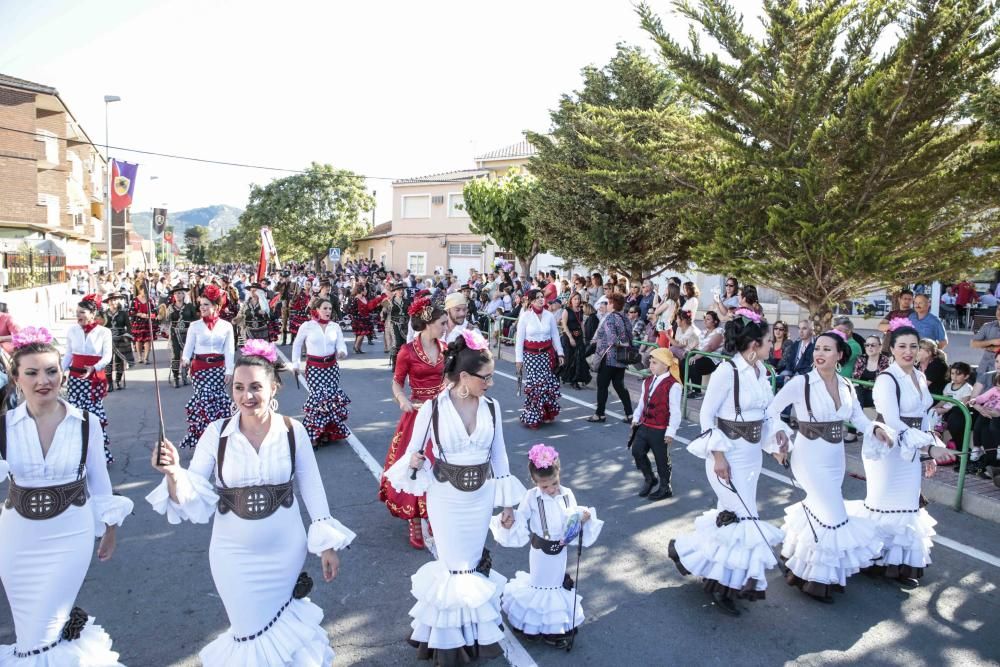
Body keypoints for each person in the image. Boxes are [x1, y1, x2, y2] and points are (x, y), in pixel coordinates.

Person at [148, 341, 354, 666]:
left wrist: (326, 545)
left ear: (275, 387)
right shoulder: (215, 434)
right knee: (249, 631)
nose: (247, 396)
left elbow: (312, 487)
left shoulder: (293, 430)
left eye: (256, 387)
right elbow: (190, 496)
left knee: (280, 627)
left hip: (287, 550)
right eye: (239, 387)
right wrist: (174, 472)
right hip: (233, 555)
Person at [383, 330, 526, 664]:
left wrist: (507, 504)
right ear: (464, 376)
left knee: (472, 565)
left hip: (480, 499)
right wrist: (416, 461)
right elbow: (413, 453)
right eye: (486, 378)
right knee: (452, 567)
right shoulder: (431, 408)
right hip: (445, 498)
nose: (490, 383)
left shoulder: (492, 407)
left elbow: (500, 457)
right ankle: (448, 646)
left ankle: (472, 635)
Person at [0, 326, 132, 663]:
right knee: (30, 631)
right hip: (17, 538)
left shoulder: (86, 423)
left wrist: (110, 530)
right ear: (16, 378)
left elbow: (100, 484)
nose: (43, 380)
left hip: (70, 534)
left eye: (51, 370)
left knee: (46, 627)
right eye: (31, 372)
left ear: (62, 373)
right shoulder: (3, 426)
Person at [668, 309, 785, 616]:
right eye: (768, 340)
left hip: (751, 457)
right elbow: (707, 414)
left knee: (732, 518)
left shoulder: (761, 372)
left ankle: (685, 551)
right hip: (727, 456)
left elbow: (767, 413)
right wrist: (718, 454)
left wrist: (777, 442)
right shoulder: (727, 372)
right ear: (753, 344)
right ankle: (725, 586)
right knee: (744, 517)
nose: (772, 344)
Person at [767, 330, 888, 603]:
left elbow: (858, 418)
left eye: (827, 349)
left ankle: (801, 564)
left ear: (840, 355)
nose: (820, 354)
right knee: (834, 514)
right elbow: (771, 411)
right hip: (808, 455)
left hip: (835, 456)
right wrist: (780, 437)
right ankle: (817, 580)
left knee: (821, 511)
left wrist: (875, 430)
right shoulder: (801, 383)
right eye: (817, 348)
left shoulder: (846, 384)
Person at [847, 321, 955, 588]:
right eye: (902, 346)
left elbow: (924, 417)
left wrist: (928, 449)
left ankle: (895, 564)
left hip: (912, 448)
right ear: (892, 349)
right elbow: (893, 423)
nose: (908, 351)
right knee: (882, 503)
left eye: (913, 347)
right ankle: (871, 558)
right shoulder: (887, 379)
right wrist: (928, 448)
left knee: (907, 506)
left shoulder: (919, 376)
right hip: (888, 448)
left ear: (920, 350)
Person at [490, 444, 602, 647]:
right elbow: (520, 517)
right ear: (534, 482)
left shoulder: (567, 494)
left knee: (556, 585)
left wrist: (583, 517)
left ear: (559, 474)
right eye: (545, 486)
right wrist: (509, 521)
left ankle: (553, 627)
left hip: (561, 551)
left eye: (554, 483)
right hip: (540, 551)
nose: (551, 489)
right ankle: (536, 625)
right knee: (541, 586)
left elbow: (574, 515)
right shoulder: (531, 497)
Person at [378, 298, 448, 549]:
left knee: (439, 465)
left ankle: (433, 517)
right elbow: (397, 382)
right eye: (442, 323)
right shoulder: (407, 351)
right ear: (428, 323)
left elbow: (452, 378)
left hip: (441, 413)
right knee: (415, 464)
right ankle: (415, 519)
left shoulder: (446, 348)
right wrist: (401, 399)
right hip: (417, 414)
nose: (445, 327)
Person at [180, 285, 236, 449]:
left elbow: (229, 350)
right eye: (201, 304)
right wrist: (184, 359)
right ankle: (204, 437)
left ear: (216, 306)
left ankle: (220, 435)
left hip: (218, 369)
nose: (202, 308)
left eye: (206, 304)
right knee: (204, 400)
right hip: (200, 370)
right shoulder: (195, 326)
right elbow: (189, 347)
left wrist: (229, 370)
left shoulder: (226, 326)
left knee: (217, 402)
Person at [291, 297, 351, 447]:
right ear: (316, 310)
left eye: (330, 309)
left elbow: (341, 344)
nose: (328, 311)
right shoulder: (307, 326)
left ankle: (326, 433)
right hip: (315, 368)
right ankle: (314, 434)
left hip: (331, 368)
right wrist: (295, 364)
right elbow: (297, 345)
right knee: (318, 401)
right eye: (325, 308)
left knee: (330, 401)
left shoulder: (335, 326)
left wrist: (342, 352)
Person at [63, 294, 115, 464]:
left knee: (92, 416)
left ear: (93, 314)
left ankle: (97, 455)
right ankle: (77, 454)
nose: (78, 315)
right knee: (74, 415)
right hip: (75, 379)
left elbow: (107, 356)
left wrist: (95, 367)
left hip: (93, 378)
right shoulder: (72, 330)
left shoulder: (104, 332)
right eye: (77, 312)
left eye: (82, 312)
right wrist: (59, 371)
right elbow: (69, 354)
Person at [630, 348, 682, 500]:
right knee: (637, 451)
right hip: (645, 425)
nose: (650, 365)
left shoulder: (673, 385)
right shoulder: (647, 381)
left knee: (661, 460)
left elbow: (675, 411)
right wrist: (635, 418)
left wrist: (671, 431)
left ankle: (666, 488)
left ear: (666, 365)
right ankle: (649, 478)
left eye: (654, 363)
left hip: (660, 429)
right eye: (650, 362)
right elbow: (642, 402)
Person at [515, 289, 565, 429]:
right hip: (530, 356)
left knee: (545, 385)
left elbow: (555, 335)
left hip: (546, 355)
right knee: (536, 386)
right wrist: (519, 359)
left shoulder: (549, 316)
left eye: (542, 297)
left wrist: (560, 353)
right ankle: (533, 416)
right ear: (531, 301)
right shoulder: (525, 316)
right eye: (537, 298)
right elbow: (519, 339)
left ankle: (546, 413)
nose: (541, 299)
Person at [162, 285, 198, 389]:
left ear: (183, 295)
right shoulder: (170, 307)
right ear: (173, 296)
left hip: (188, 334)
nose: (178, 295)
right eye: (176, 293)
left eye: (180, 293)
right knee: (175, 356)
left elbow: (195, 320)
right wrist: (162, 316)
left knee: (187, 356)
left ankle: (185, 374)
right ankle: (176, 378)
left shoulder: (189, 306)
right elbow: (166, 320)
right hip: (174, 334)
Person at [684, 311, 726, 399]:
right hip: (701, 355)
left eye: (708, 319)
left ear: (715, 321)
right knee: (683, 361)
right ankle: (686, 388)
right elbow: (696, 344)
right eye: (705, 319)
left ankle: (697, 392)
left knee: (694, 363)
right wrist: (688, 350)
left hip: (712, 359)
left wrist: (696, 356)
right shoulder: (703, 332)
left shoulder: (719, 331)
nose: (705, 321)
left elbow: (710, 347)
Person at [933, 362, 973, 449]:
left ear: (966, 376)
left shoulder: (967, 388)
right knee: (931, 414)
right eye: (952, 373)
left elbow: (962, 405)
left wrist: (944, 410)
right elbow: (943, 400)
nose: (954, 377)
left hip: (955, 413)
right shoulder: (948, 386)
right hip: (944, 411)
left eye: (958, 374)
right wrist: (934, 408)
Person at [104, 292, 135, 393]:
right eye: (112, 300)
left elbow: (129, 326)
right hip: (107, 340)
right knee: (107, 362)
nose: (114, 302)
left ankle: (117, 381)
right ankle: (109, 383)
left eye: (116, 299)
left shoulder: (123, 313)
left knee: (119, 361)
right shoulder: (104, 314)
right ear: (108, 302)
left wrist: (128, 335)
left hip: (121, 339)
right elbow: (99, 327)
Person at [560, 291, 591, 389]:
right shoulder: (567, 310)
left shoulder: (580, 310)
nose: (577, 301)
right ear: (571, 300)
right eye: (575, 299)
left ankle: (575, 380)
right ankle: (560, 374)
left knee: (579, 358)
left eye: (578, 299)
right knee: (569, 359)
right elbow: (564, 325)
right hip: (568, 336)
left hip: (578, 336)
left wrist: (584, 336)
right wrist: (570, 338)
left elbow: (581, 323)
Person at [348, 285, 386, 354]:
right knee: (361, 334)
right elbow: (352, 310)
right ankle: (356, 347)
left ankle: (359, 348)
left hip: (365, 318)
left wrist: (376, 305)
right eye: (365, 289)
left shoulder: (365, 298)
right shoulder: (355, 299)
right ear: (361, 290)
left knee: (362, 334)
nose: (366, 291)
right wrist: (356, 315)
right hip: (358, 319)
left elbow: (368, 307)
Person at [777, 319, 815, 388]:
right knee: (773, 379)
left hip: (804, 375)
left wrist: (795, 376)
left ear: (811, 330)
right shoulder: (796, 344)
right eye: (799, 328)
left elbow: (810, 366)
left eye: (804, 328)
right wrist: (788, 374)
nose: (801, 331)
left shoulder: (814, 345)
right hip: (791, 372)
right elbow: (789, 360)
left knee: (788, 383)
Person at [970, 304, 1000, 379]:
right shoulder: (987, 326)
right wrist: (992, 342)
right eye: (999, 309)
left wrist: (986, 346)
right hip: (984, 368)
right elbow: (973, 344)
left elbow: (996, 349)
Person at [129, 282, 154, 365]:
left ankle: (146, 358)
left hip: (148, 322)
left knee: (148, 340)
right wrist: (139, 314)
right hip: (138, 323)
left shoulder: (150, 300)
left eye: (147, 290)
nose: (146, 292)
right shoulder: (135, 300)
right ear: (140, 290)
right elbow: (131, 311)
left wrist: (151, 315)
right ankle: (140, 357)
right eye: (144, 290)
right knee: (139, 340)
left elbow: (154, 311)